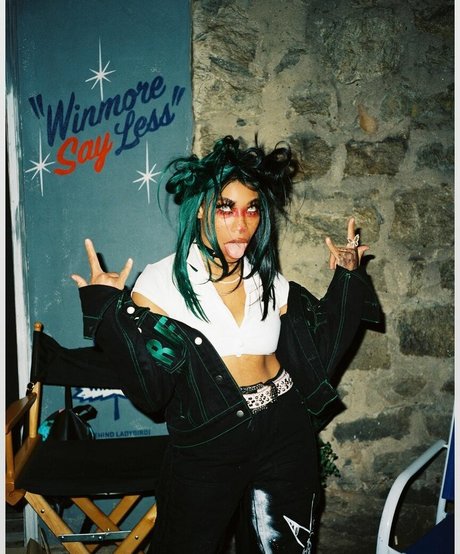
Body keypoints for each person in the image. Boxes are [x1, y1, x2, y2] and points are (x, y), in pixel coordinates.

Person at [71, 136, 380, 553]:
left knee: (283, 547)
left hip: (284, 430)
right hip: (207, 438)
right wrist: (109, 312)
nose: (242, 223)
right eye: (226, 207)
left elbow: (320, 349)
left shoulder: (267, 279)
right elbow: (151, 391)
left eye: (252, 208)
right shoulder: (160, 283)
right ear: (201, 208)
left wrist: (348, 276)